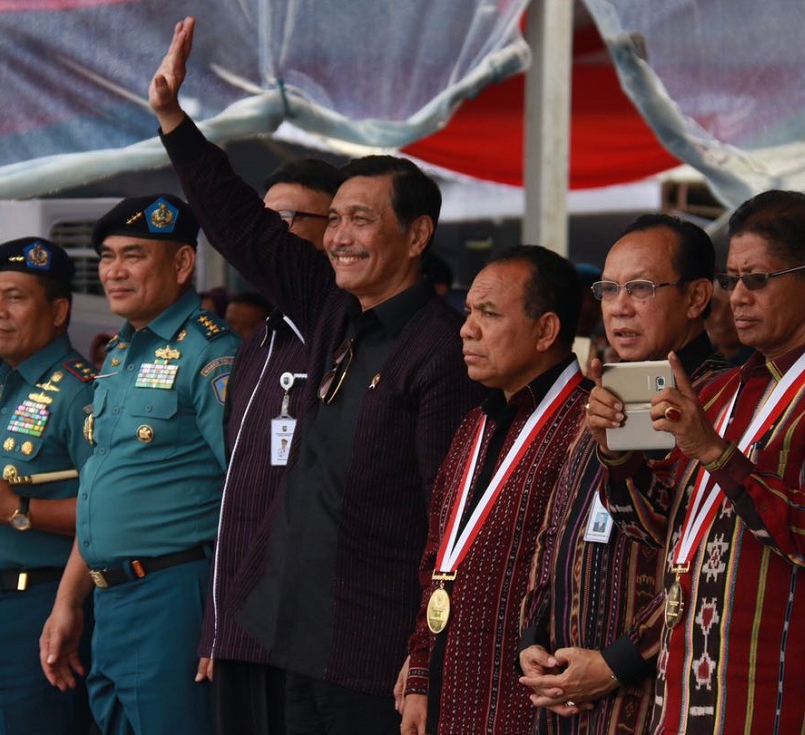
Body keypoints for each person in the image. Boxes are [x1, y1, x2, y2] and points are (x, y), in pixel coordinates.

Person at [151, 18, 484, 734]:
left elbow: (448, 518)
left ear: (417, 235)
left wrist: (424, 657)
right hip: (295, 640)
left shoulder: (443, 349)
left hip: (374, 657)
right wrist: (176, 124)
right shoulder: (333, 311)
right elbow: (244, 226)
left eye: (359, 219)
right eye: (332, 218)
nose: (336, 235)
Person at [587, 190, 805, 733]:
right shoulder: (728, 389)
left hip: (776, 703)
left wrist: (716, 453)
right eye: (731, 279)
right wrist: (617, 452)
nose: (737, 297)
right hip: (684, 695)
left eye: (757, 279)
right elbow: (655, 528)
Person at [40, 194, 240, 734]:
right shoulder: (120, 354)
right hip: (110, 601)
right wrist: (67, 601)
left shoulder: (211, 352)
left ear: (181, 264)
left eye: (133, 255)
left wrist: (226, 620)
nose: (114, 271)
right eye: (106, 256)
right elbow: (102, 489)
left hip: (175, 594)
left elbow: (248, 494)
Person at [519, 214, 724, 734]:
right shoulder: (605, 390)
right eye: (609, 289)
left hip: (651, 696)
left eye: (641, 288)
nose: (619, 307)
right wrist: (532, 643)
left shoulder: (725, 403)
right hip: (563, 694)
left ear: (697, 297)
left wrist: (616, 664)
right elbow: (554, 530)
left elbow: (705, 564)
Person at [398, 246, 587, 735]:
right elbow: (436, 560)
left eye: (489, 314)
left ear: (546, 330)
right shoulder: (475, 423)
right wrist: (420, 670)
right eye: (468, 313)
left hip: (531, 703)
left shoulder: (589, 426)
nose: (467, 329)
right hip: (447, 690)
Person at [200, 157, 342, 735]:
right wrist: (215, 625)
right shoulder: (259, 340)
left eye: (287, 219)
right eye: (262, 219)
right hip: (237, 625)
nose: (268, 236)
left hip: (299, 628)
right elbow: (239, 495)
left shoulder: (332, 326)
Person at [0, 237, 96, 735]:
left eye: (15, 297)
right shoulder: (1, 390)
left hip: (42, 609)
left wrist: (18, 509)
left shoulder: (79, 393)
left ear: (58, 310)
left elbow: (108, 513)